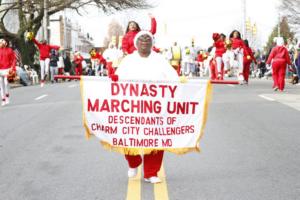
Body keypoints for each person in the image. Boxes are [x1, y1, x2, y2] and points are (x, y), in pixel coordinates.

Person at [115, 31, 179, 184]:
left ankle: (151, 173)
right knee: (128, 136)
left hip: (155, 106)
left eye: (148, 39)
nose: (144, 41)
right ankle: (133, 162)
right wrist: (114, 78)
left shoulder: (160, 60)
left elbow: (172, 77)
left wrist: (179, 81)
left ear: (152, 43)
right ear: (136, 43)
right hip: (132, 106)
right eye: (141, 39)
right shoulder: (128, 60)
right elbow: (117, 78)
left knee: (155, 138)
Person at [0, 38, 16, 106]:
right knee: (1, 85)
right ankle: (3, 100)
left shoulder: (10, 50)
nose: (2, 43)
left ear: (6, 43)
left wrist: (13, 68)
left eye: (3, 41)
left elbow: (13, 60)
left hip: (8, 69)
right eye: (1, 42)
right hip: (0, 70)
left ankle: (7, 96)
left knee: (6, 83)